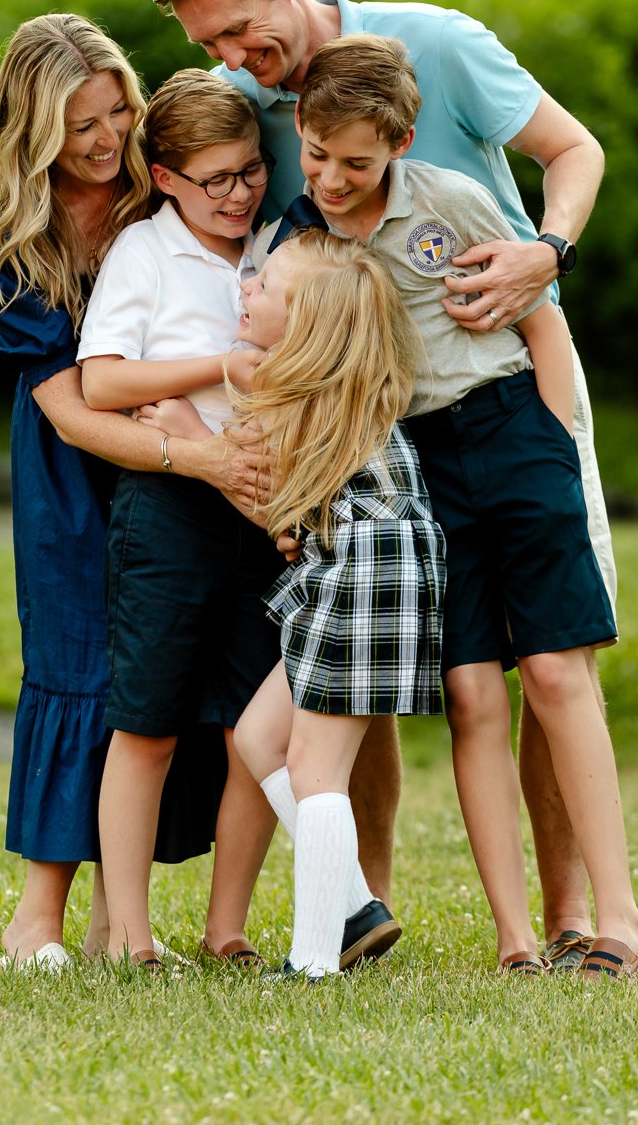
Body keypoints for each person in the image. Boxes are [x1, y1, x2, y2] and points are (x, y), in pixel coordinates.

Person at [154, 0, 613, 968]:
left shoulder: (438, 45)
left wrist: (545, 251)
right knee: (388, 663)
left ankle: (571, 915)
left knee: (549, 660)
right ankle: (364, 900)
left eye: (238, 29)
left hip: (506, 383)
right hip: (378, 438)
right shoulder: (248, 102)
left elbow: (573, 149)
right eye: (206, 43)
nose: (231, 58)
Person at [252, 35, 638, 979]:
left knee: (554, 674)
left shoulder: (450, 201)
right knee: (471, 693)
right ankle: (514, 940)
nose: (334, 177)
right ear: (298, 130)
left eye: (358, 162)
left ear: (403, 140)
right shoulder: (301, 241)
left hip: (511, 430)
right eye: (316, 155)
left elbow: (539, 320)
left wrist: (555, 444)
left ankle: (619, 925)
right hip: (420, 466)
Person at [0, 14, 264, 971]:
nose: (106, 139)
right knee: (78, 665)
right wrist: (195, 457)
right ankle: (36, 918)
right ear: (36, 130)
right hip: (76, 468)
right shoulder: (14, 240)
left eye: (116, 111)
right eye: (80, 125)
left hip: (179, 460)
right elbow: (70, 410)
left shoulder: (158, 195)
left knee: (157, 680)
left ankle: (117, 920)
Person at [76, 68, 286, 970]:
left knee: (254, 729)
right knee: (149, 720)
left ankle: (226, 925)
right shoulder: (145, 254)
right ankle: (128, 931)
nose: (237, 195)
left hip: (264, 508)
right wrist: (220, 368)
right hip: (167, 509)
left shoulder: (277, 244)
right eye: (215, 180)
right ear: (164, 178)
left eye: (248, 172)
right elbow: (103, 381)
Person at [226, 230, 445, 981]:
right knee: (258, 737)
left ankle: (314, 961)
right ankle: (354, 908)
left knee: (316, 771)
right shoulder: (341, 387)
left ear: (304, 330)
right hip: (355, 571)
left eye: (264, 289)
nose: (247, 290)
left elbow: (270, 504)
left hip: (363, 577)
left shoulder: (288, 392)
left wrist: (181, 430)